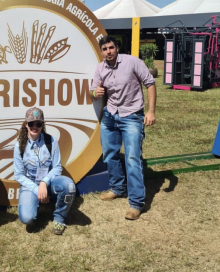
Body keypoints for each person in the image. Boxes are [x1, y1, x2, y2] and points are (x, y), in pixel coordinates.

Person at [90, 36, 156, 220]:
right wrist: (96, 92)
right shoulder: (100, 68)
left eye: (111, 47)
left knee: (132, 158)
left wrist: (150, 112)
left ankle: (136, 203)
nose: (108, 51)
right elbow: (92, 90)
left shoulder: (132, 62)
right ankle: (117, 188)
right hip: (110, 115)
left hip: (132, 116)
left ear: (117, 47)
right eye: (105, 49)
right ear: (101, 51)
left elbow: (150, 83)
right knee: (109, 154)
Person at [13, 107, 76, 235]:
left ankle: (60, 217)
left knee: (69, 185)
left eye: (38, 123)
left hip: (49, 181)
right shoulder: (19, 145)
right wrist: (38, 190)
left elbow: (57, 167)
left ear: (43, 125)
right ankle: (36, 208)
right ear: (25, 124)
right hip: (30, 184)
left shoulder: (51, 141)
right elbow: (19, 176)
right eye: (31, 123)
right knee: (27, 218)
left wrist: (44, 183)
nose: (34, 127)